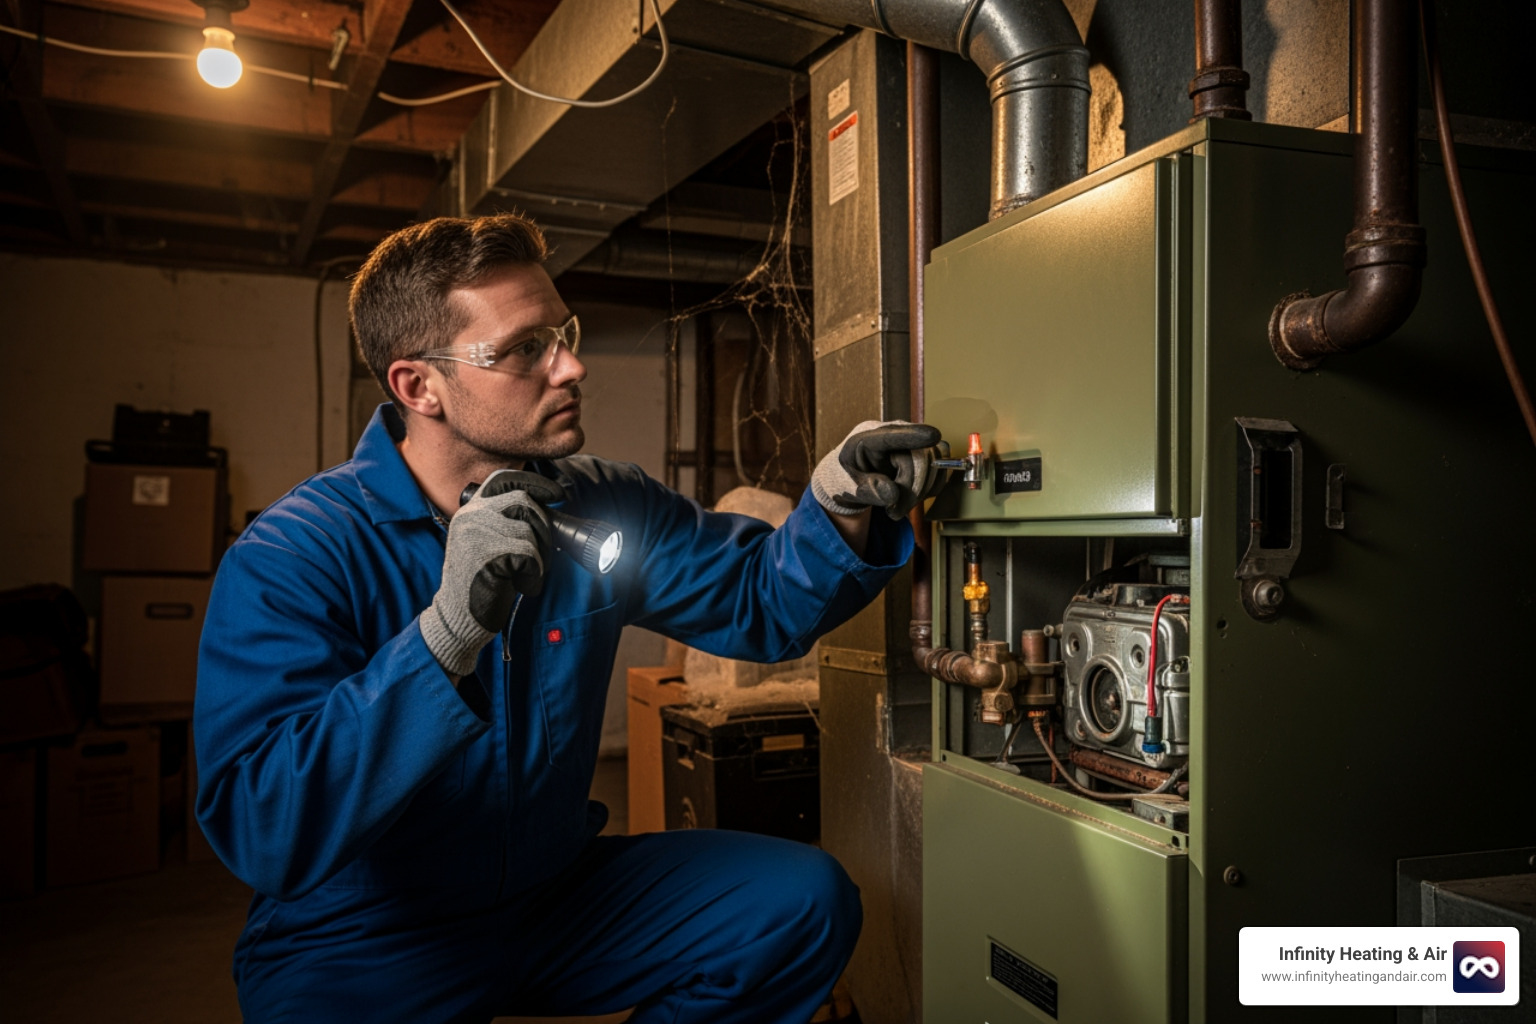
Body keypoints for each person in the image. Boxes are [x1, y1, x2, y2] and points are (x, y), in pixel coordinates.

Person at [194, 213, 948, 1023]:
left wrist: (835, 506)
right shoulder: (297, 554)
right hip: (364, 934)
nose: (571, 366)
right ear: (418, 386)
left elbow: (756, 603)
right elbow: (262, 826)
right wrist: (445, 637)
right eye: (524, 349)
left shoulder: (601, 501)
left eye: (564, 333)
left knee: (799, 903)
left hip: (553, 896)